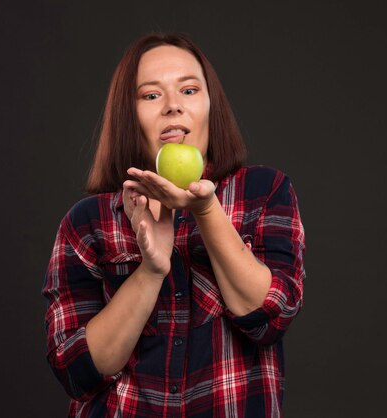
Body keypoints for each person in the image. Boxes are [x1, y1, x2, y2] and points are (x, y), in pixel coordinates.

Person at [42, 32, 306, 418]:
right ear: (127, 115)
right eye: (151, 95)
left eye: (189, 90)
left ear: (209, 105)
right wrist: (151, 269)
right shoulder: (87, 223)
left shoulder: (264, 192)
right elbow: (76, 370)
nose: (172, 107)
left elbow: (270, 316)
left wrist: (205, 209)